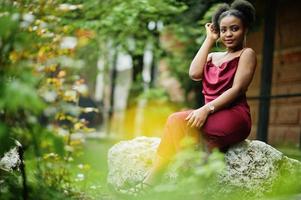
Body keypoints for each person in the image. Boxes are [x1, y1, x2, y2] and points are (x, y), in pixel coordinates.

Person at [126, 0, 257, 194]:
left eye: (234, 29)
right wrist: (209, 39)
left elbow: (237, 89)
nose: (228, 34)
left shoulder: (247, 54)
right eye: (223, 30)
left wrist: (206, 109)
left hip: (234, 115)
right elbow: (194, 74)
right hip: (210, 115)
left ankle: (153, 185)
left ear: (245, 29)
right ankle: (156, 182)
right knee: (177, 124)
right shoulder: (213, 57)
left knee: (177, 121)